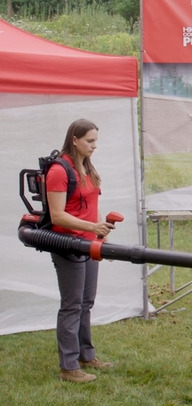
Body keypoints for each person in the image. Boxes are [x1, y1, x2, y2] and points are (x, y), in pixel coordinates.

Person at [47, 119, 116, 383]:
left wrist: (101, 233)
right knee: (72, 305)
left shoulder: (87, 166)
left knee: (86, 303)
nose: (94, 146)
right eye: (89, 141)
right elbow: (57, 216)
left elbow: (91, 203)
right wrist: (93, 226)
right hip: (68, 245)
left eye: (96, 141)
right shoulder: (59, 170)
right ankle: (68, 368)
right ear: (74, 139)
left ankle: (87, 356)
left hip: (89, 243)